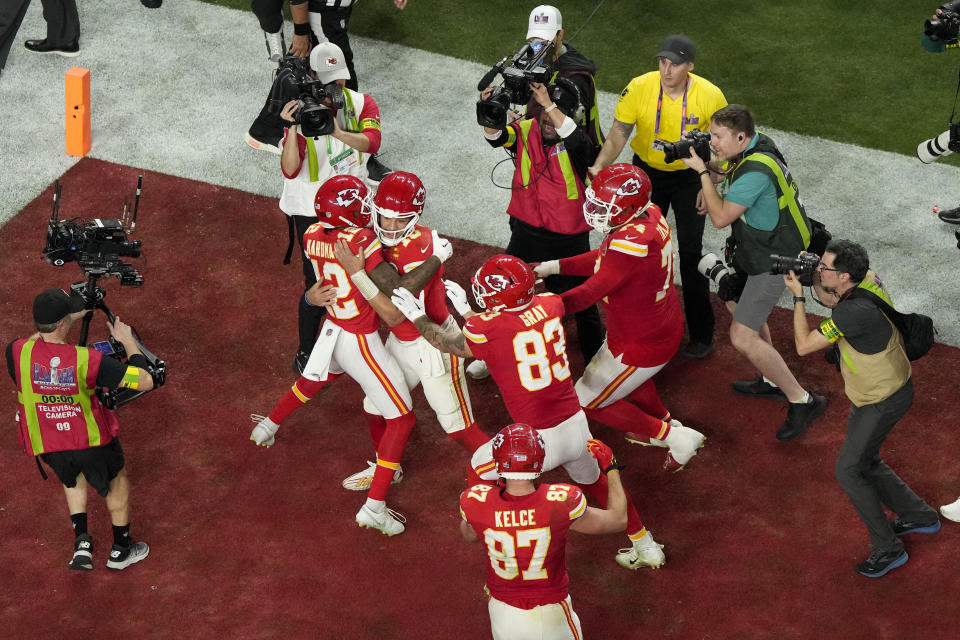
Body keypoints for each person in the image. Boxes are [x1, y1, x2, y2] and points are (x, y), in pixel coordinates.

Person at [392, 255, 667, 570]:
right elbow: (508, 329)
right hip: (575, 427)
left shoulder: (485, 326)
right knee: (598, 484)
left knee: (477, 469)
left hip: (538, 440)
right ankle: (646, 544)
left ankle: (492, 526)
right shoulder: (550, 304)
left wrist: (417, 315)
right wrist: (470, 313)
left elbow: (451, 343)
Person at [250, 177, 453, 536]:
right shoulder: (362, 241)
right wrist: (437, 256)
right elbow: (394, 302)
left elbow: (318, 287)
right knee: (402, 420)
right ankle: (375, 506)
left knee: (316, 380)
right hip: (361, 338)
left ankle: (268, 425)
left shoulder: (312, 233)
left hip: (334, 326)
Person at [784, 239, 940, 578]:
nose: (820, 269)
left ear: (843, 277)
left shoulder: (852, 313)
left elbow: (803, 345)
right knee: (866, 461)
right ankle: (920, 516)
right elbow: (832, 295)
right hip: (885, 389)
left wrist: (797, 295)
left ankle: (888, 549)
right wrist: (815, 275)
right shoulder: (867, 278)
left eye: (825, 267)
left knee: (848, 470)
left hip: (881, 400)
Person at [534, 164, 705, 471]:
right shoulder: (647, 213)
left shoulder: (633, 241)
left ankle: (675, 438)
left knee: (587, 401)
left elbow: (591, 291)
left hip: (641, 341)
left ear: (627, 208)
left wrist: (542, 311)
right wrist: (554, 266)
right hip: (647, 326)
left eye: (604, 207)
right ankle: (667, 424)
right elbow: (605, 258)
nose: (596, 211)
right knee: (625, 382)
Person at [332, 171, 489, 490]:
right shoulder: (370, 235)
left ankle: (505, 476)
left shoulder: (423, 244)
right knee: (374, 406)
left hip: (434, 342)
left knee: (458, 428)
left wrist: (359, 275)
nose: (388, 226)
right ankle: (388, 466)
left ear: (416, 217)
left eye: (398, 219)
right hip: (403, 341)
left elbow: (395, 307)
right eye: (383, 217)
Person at [680, 104, 827, 440]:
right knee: (736, 299)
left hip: (772, 261)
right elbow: (729, 172)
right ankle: (771, 379)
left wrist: (703, 174)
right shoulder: (759, 146)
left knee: (741, 336)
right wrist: (712, 172)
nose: (713, 141)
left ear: (740, 136)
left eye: (718, 136)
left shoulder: (755, 171)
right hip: (762, 249)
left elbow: (719, 219)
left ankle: (802, 400)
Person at [589, 34, 727, 359]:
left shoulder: (710, 96)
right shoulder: (639, 87)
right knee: (639, 250)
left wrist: (712, 185)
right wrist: (598, 167)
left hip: (691, 176)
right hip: (647, 175)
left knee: (691, 254)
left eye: (674, 64)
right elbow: (619, 134)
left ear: (690, 67)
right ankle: (642, 326)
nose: (666, 70)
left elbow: (722, 148)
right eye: (662, 62)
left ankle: (702, 335)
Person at [6, 289, 154, 571]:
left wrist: (67, 318)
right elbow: (144, 380)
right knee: (116, 483)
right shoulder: (88, 360)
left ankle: (82, 544)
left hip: (49, 444)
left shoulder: (16, 351)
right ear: (63, 323)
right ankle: (121, 551)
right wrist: (128, 342)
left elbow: (36, 340)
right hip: (90, 442)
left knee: (72, 477)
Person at [473, 77, 604, 375]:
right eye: (543, 111)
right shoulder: (524, 130)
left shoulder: (580, 141)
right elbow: (495, 137)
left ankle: (597, 360)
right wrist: (489, 107)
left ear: (572, 115)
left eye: (555, 111)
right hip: (526, 230)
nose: (547, 119)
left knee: (582, 302)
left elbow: (578, 143)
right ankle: (488, 350)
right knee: (502, 287)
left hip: (568, 237)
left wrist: (548, 103)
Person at [459, 424, 626, 640]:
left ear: (498, 460)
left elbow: (469, 534)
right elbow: (618, 520)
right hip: (549, 614)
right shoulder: (559, 502)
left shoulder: (476, 501)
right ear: (539, 459)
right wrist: (611, 468)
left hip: (501, 610)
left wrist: (478, 513)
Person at [277, 41, 383, 373]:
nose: (337, 88)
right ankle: (306, 350)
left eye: (340, 79)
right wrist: (295, 127)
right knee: (318, 282)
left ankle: (361, 337)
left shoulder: (362, 102)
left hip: (354, 206)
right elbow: (290, 168)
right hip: (312, 211)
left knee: (366, 271)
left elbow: (373, 142)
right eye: (329, 81)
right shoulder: (299, 112)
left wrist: (336, 130)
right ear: (313, 78)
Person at [246, 0, 406, 168]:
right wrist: (301, 30)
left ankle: (267, 128)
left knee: (303, 63)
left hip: (331, 10)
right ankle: (359, 154)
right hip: (324, 10)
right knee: (340, 74)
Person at [520, 4, 604, 150]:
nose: (539, 43)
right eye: (535, 37)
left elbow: (579, 135)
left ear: (560, 34)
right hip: (539, 149)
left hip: (564, 157)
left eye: (545, 38)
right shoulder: (532, 62)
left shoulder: (577, 76)